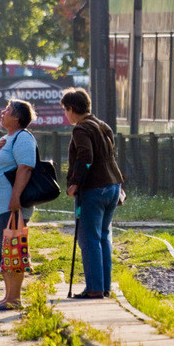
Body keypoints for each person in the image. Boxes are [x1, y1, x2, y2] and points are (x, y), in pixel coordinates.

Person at [61, 87, 124, 299]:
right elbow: (110, 156)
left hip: (94, 189)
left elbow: (86, 157)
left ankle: (94, 289)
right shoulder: (102, 126)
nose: (66, 115)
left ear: (71, 108)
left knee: (88, 239)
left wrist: (75, 183)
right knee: (104, 237)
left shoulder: (81, 129)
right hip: (113, 187)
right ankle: (104, 287)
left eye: (65, 110)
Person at [0, 98, 37, 311]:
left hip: (10, 206)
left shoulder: (23, 138)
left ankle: (15, 299)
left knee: (13, 252)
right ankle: (7, 297)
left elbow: (25, 168)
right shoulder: (5, 139)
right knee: (4, 255)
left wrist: (15, 198)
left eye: (8, 110)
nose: (2, 112)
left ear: (17, 117)